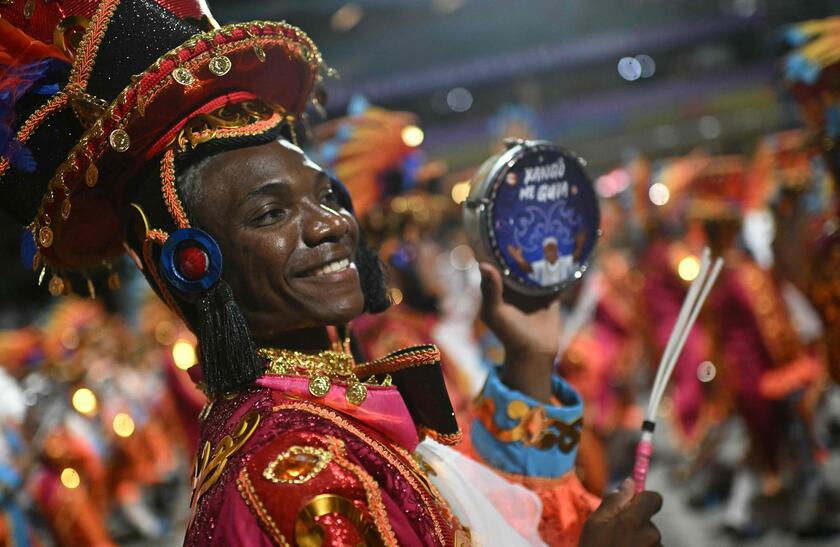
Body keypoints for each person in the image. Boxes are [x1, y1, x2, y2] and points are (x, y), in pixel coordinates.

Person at [0, 0, 663, 545]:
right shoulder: (292, 476)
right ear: (192, 264)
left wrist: (526, 361)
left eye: (326, 195)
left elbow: (483, 518)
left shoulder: (325, 412)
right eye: (271, 212)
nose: (329, 223)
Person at [508, 237, 576, 286]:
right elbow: (527, 268)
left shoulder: (564, 261)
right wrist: (518, 257)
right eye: (548, 250)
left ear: (556, 250)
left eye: (552, 249)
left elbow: (576, 256)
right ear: (545, 252)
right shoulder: (541, 265)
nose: (551, 252)